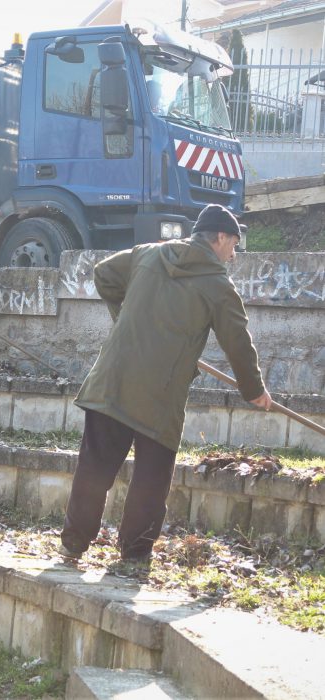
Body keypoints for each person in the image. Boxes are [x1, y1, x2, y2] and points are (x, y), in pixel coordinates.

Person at [60, 204, 272, 563]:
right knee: (152, 476)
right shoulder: (218, 285)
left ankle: (72, 545)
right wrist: (254, 390)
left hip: (112, 378)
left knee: (95, 466)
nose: (234, 255)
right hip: (160, 394)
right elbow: (237, 341)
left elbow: (103, 274)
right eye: (234, 245)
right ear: (220, 238)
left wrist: (126, 319)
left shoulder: (148, 253)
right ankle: (133, 556)